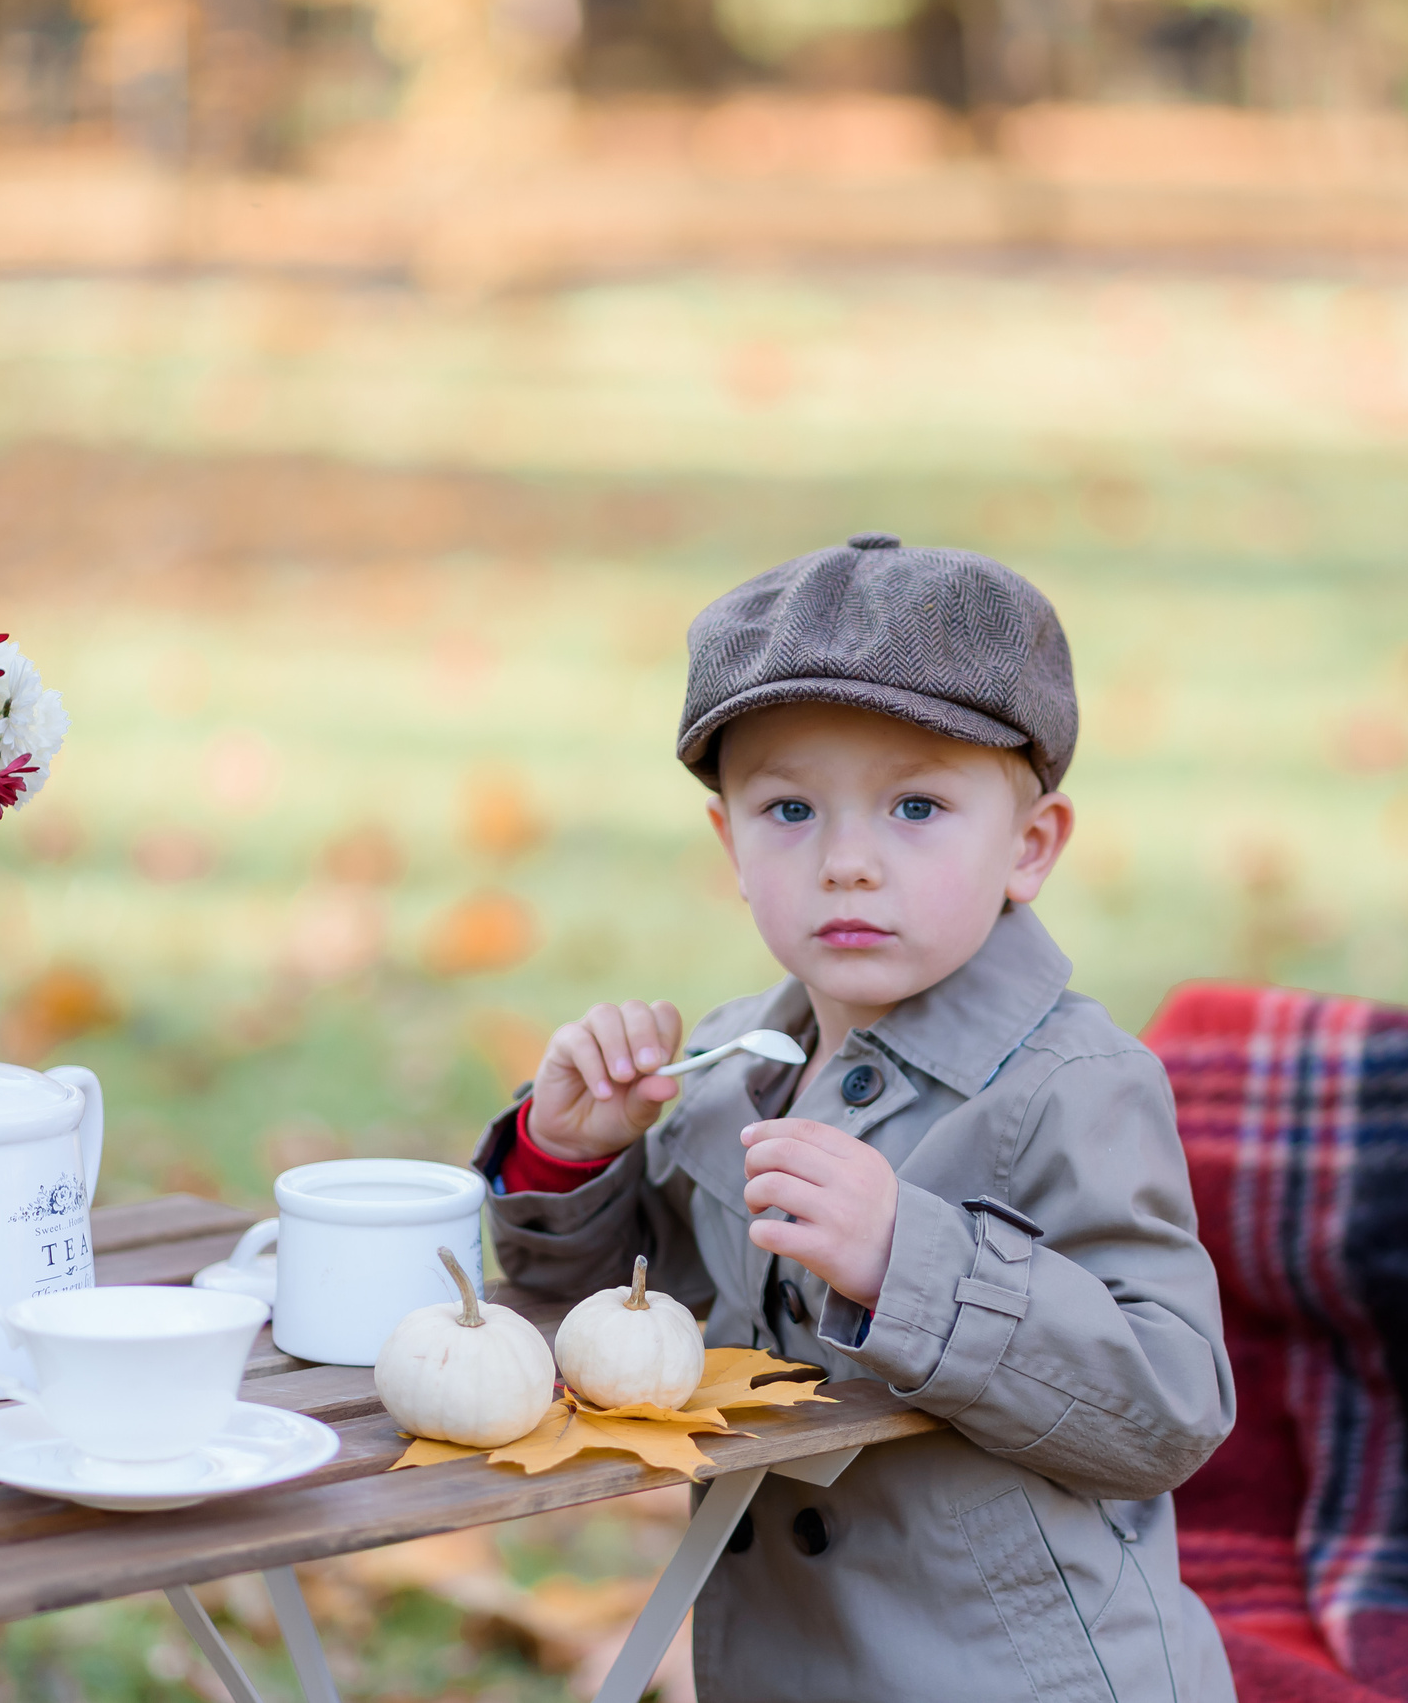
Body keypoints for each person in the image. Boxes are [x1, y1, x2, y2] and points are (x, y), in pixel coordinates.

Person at [475, 533, 1238, 1702]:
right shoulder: (726, 1070)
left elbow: (1170, 1403)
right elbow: (633, 1335)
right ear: (729, 842)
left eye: (917, 805)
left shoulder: (1072, 1083)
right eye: (788, 809)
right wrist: (572, 1156)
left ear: (1029, 846)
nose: (845, 862)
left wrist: (910, 1260)